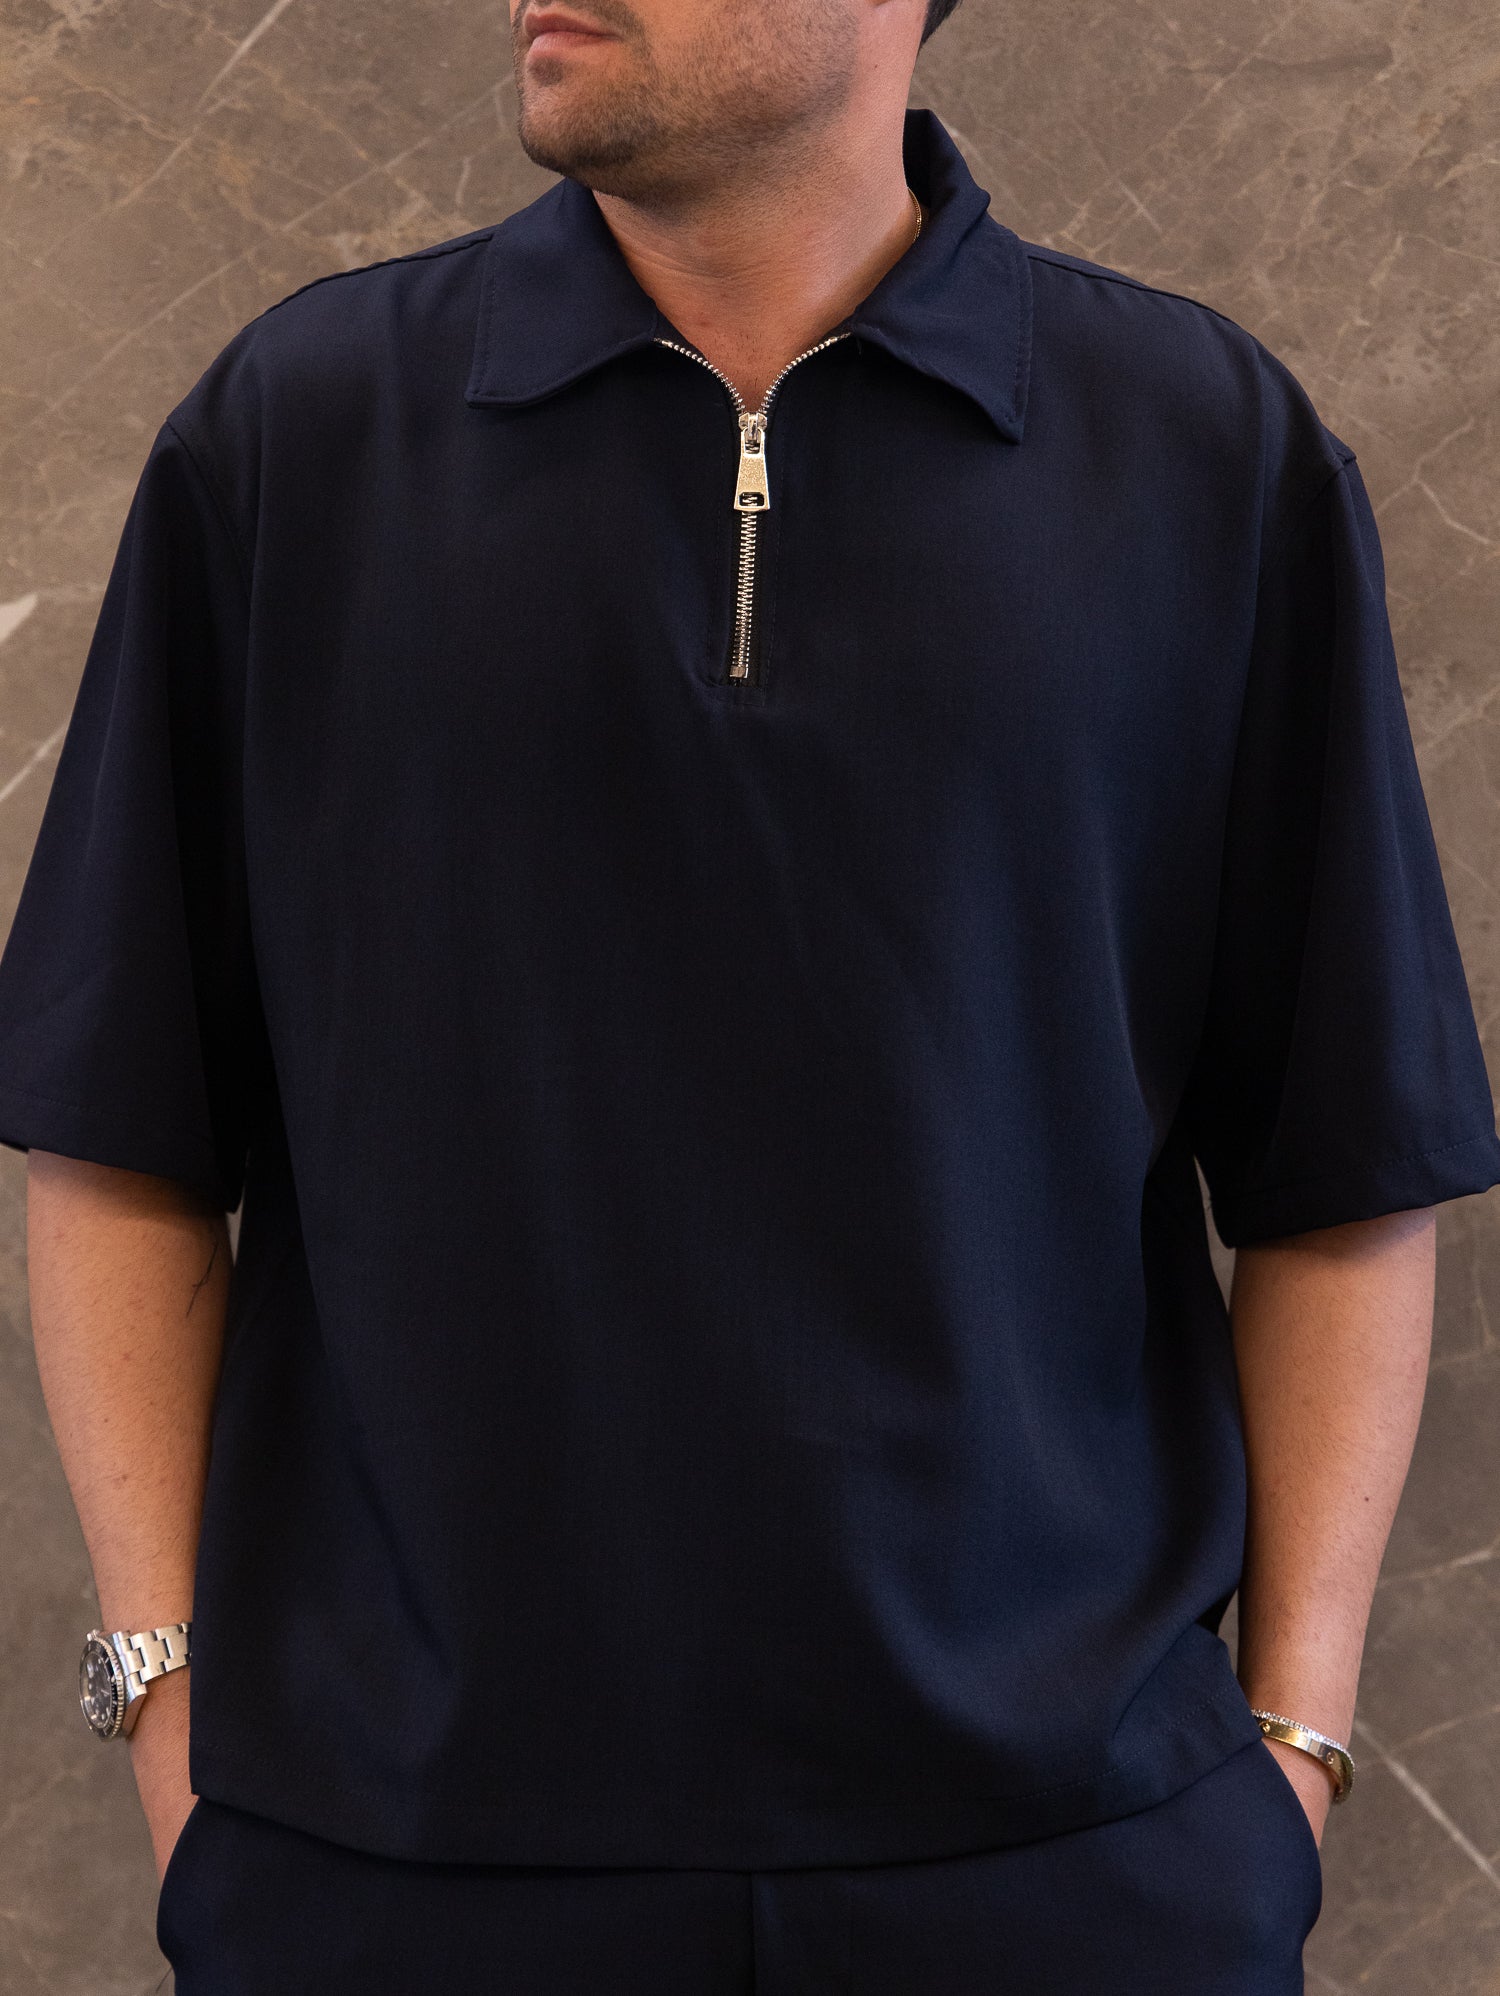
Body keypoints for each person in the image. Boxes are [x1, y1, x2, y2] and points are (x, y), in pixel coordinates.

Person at [4, 0, 1498, 1985]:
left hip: (1069, 1881)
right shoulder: (300, 436)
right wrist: (166, 1701)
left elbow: (1341, 1165)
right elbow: (120, 1125)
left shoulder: (1204, 453)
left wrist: (1289, 1755)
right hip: (387, 1874)